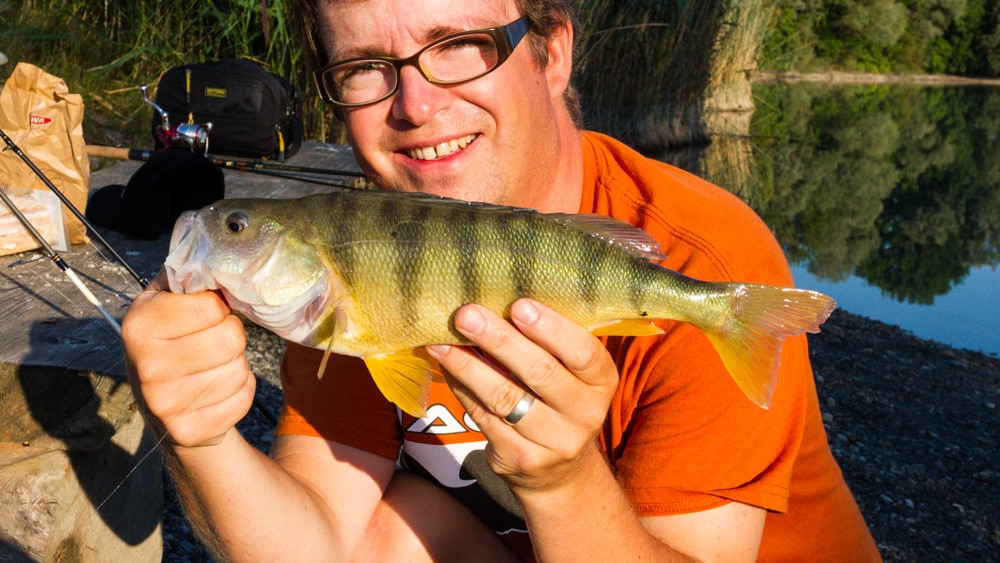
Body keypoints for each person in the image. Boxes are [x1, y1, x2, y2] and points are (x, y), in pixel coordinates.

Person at [123, 0, 881, 560]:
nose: (415, 105)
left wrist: (561, 480)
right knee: (395, 526)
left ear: (553, 53)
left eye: (457, 45)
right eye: (364, 69)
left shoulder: (705, 259)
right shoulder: (359, 261)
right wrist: (200, 434)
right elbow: (315, 545)